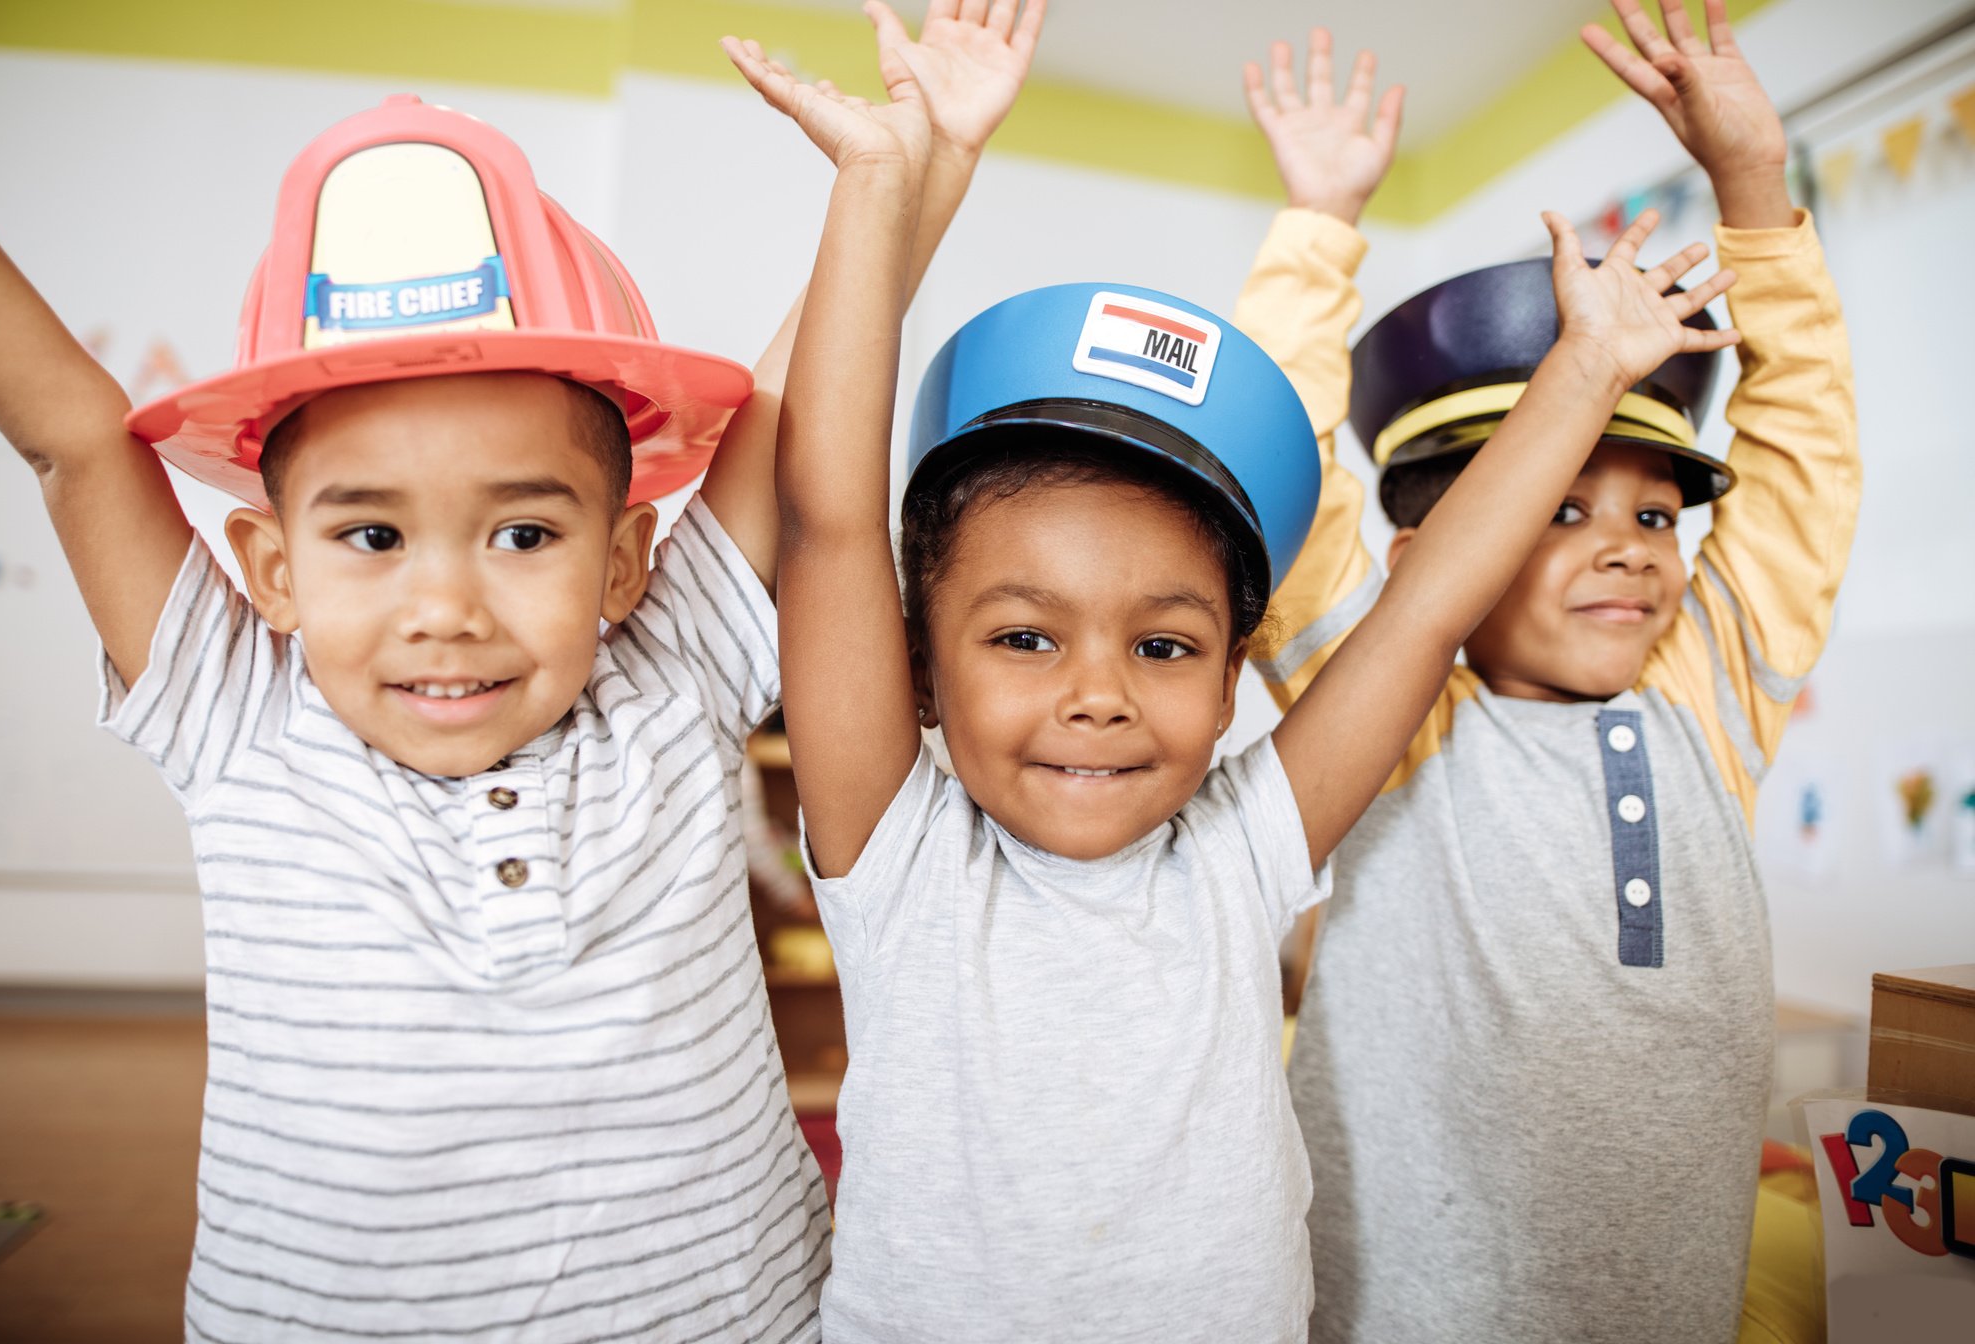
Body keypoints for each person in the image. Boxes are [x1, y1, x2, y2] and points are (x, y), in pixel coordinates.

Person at [0, 4, 1041, 1337]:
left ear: (625, 558)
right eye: (371, 533)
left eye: (524, 532)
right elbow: (70, 433)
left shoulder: (674, 669)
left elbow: (800, 409)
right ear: (272, 565)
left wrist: (918, 164)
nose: (447, 606)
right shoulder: (234, 712)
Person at [723, 12, 1741, 1338]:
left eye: (1164, 644)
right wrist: (880, 187)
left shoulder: (1241, 849)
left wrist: (1589, 368)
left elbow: (1428, 606)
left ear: (1228, 685)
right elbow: (833, 522)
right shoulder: (897, 854)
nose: (1101, 692)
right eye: (1026, 636)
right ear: (919, 669)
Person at [1232, 7, 1858, 1340]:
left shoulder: (1707, 702)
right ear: (1426, 559)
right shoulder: (1391, 717)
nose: (1627, 550)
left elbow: (1803, 457)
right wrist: (1319, 226)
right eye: (1556, 512)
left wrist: (1753, 185)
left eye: (1652, 514)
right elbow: (1279, 475)